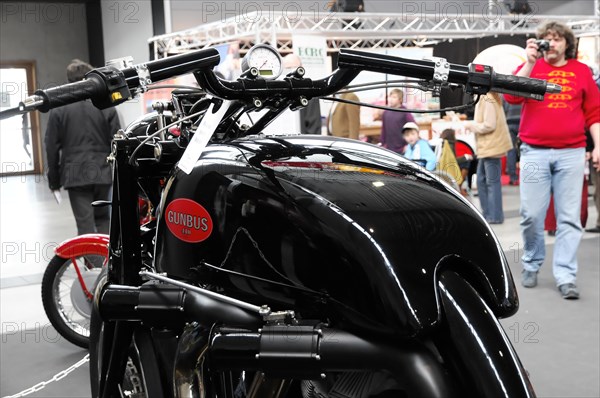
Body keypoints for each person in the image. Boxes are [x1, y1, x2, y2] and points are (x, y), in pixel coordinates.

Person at [504, 21, 600, 299]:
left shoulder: (581, 71)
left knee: (569, 219)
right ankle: (532, 262)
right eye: (547, 38)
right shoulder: (533, 68)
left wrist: (598, 146)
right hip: (534, 151)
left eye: (557, 39)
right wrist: (529, 61)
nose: (551, 43)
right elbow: (511, 95)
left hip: (572, 152)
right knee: (530, 214)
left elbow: (594, 112)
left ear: (566, 44)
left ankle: (565, 274)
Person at [45, 59, 121, 235]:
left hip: (75, 175)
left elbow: (51, 147)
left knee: (85, 226)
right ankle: (105, 261)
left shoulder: (59, 107)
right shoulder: (106, 104)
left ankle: (93, 263)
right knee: (103, 221)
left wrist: (54, 181)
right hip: (103, 173)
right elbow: (117, 140)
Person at [465, 93, 513, 224]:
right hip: (488, 147)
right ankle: (488, 214)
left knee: (491, 183)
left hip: (492, 146)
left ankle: (495, 216)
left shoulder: (487, 98)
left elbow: (489, 125)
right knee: (482, 181)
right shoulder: (486, 97)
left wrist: (471, 126)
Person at [282, 54, 322, 134]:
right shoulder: (279, 93)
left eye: (294, 67)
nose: (291, 71)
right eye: (288, 68)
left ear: (301, 68)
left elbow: (314, 128)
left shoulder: (310, 93)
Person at [380, 89, 416, 154]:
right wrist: (383, 144)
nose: (391, 99)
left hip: (402, 149)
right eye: (390, 97)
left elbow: (413, 127)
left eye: (394, 97)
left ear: (400, 99)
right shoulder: (386, 112)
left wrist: (408, 145)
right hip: (389, 149)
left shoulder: (405, 112)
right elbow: (383, 130)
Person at [439, 128, 474, 195]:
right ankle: (458, 186)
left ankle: (459, 187)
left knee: (465, 162)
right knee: (467, 163)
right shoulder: (450, 144)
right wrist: (465, 157)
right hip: (448, 166)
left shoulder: (443, 143)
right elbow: (453, 161)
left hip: (443, 166)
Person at [503, 101, 521, 185]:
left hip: (510, 121)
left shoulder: (507, 91)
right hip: (523, 120)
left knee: (511, 150)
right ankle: (528, 176)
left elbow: (503, 108)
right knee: (526, 148)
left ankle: (513, 177)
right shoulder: (528, 89)